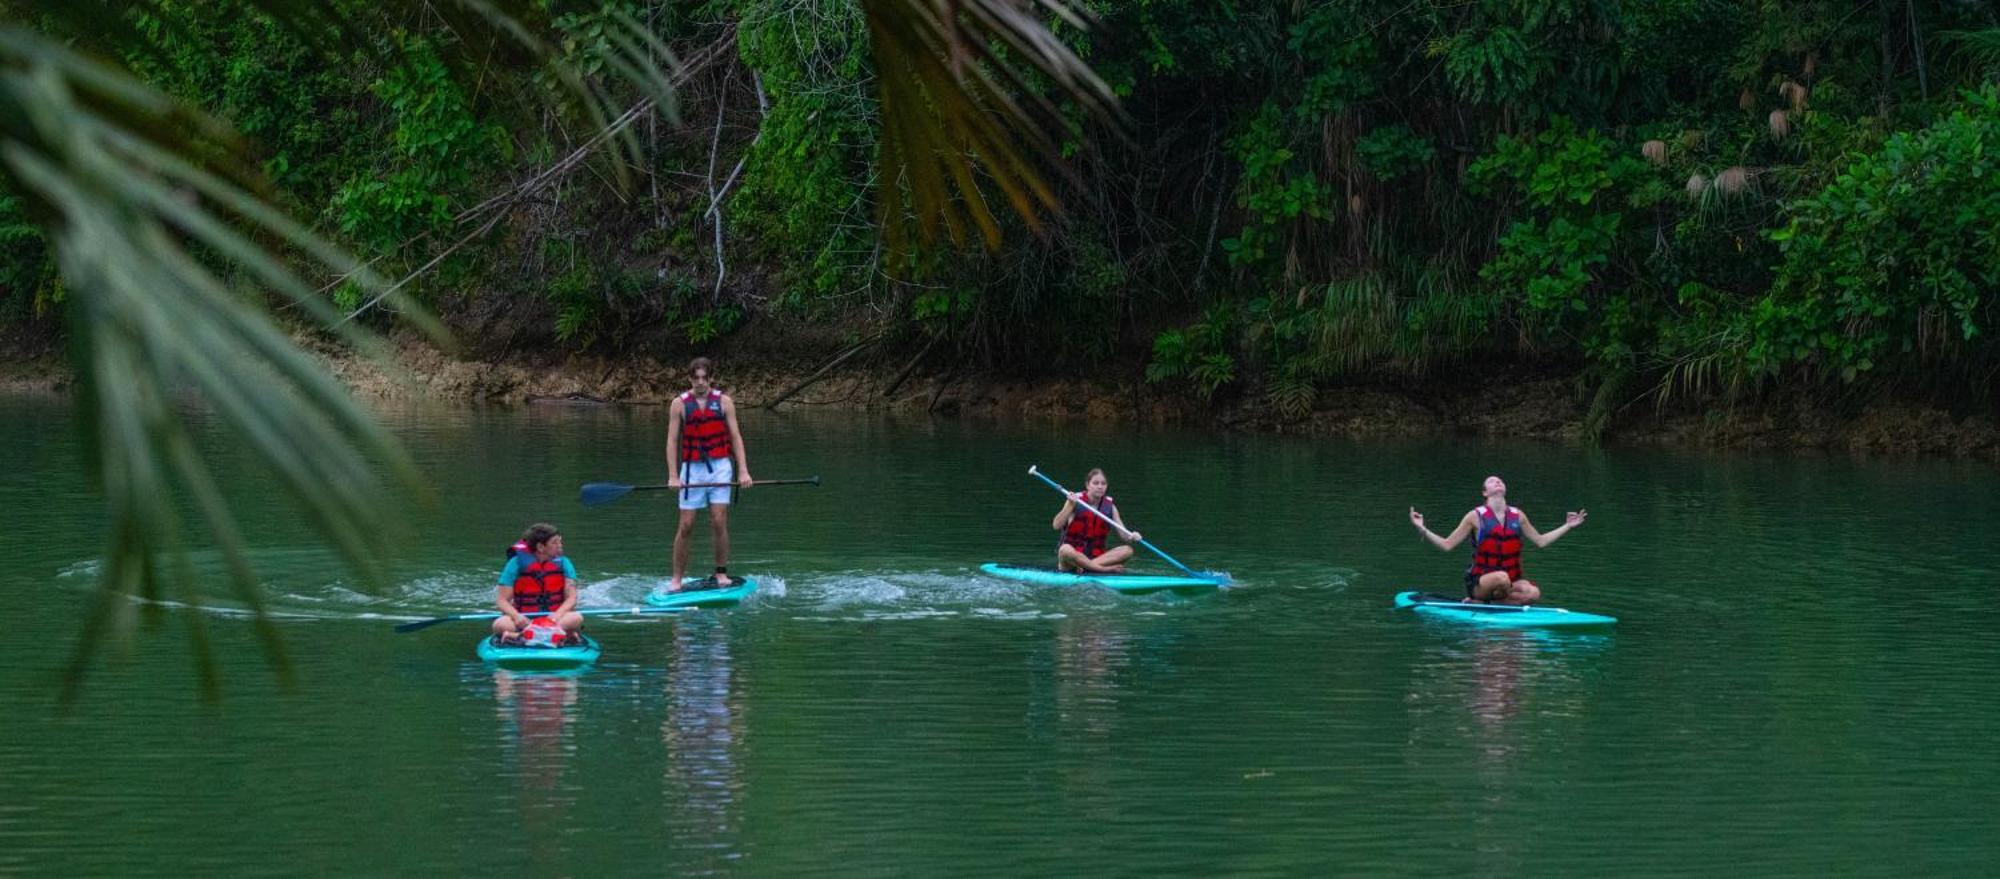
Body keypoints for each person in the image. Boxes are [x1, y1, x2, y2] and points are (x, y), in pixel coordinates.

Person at [1408, 475, 1586, 604]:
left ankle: (1485, 604)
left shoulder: (1518, 515)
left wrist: (1567, 526)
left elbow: (1541, 541)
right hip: (1481, 582)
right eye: (1492, 481)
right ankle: (1478, 597)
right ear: (1485, 492)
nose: (1498, 482)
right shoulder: (1474, 517)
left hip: (1510, 581)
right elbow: (1447, 545)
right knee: (1501, 577)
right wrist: (1422, 529)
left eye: (1500, 480)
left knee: (1533, 593)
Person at [665, 357, 752, 592]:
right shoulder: (679, 404)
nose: (700, 382)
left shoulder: (724, 402)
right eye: (696, 378)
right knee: (686, 524)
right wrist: (673, 475)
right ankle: (676, 579)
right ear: (690, 379)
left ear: (711, 378)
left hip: (720, 467)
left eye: (705, 378)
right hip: (692, 469)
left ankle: (721, 573)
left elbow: (735, 437)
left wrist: (743, 470)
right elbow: (672, 441)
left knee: (719, 520)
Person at [493, 522, 582, 645]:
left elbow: (571, 598)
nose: (560, 546)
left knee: (576, 618)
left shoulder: (565, 563)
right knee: (500, 624)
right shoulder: (515, 564)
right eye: (555, 542)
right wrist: (517, 617)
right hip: (525, 620)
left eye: (560, 542)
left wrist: (556, 616)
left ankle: (521, 637)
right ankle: (559, 636)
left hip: (556, 618)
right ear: (541, 547)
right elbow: (502, 601)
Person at [1053, 468, 1143, 573]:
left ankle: (1086, 567)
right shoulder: (1074, 501)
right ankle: (1103, 570)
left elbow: (1124, 535)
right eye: (1095, 483)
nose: (1100, 486)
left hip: (1097, 558)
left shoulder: (1110, 507)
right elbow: (1056, 525)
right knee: (1065, 549)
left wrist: (1132, 536)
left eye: (1103, 484)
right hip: (1073, 560)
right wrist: (1070, 505)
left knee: (1127, 550)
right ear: (1087, 485)